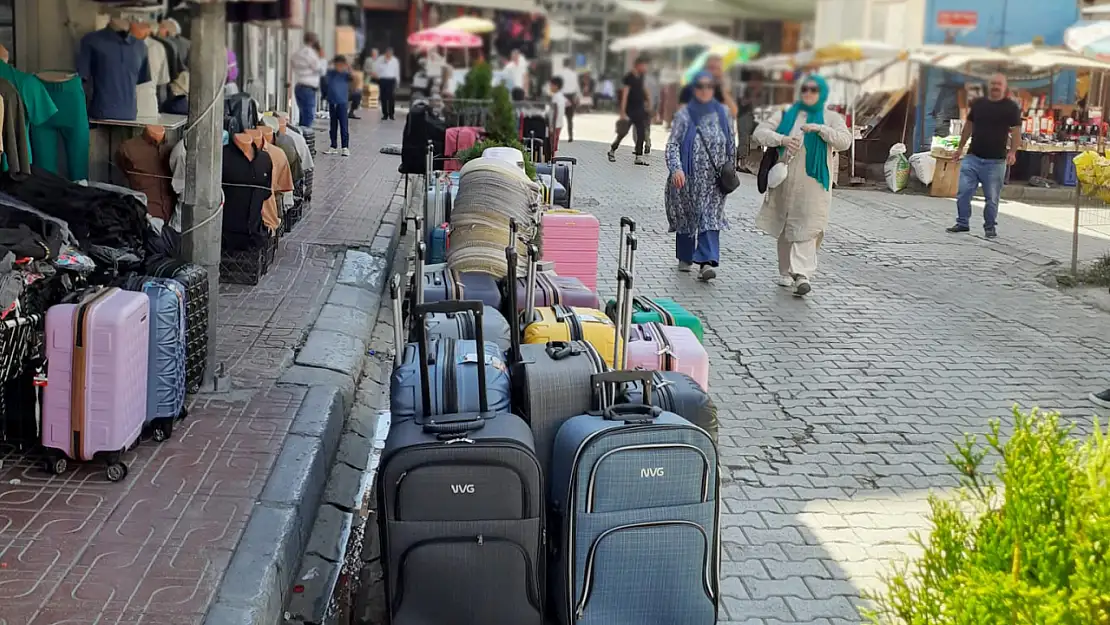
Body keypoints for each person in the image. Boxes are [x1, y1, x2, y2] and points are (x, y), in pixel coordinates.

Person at [753, 75, 853, 297]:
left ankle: (802, 274)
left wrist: (821, 130)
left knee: (808, 226)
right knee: (785, 225)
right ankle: (786, 271)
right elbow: (759, 133)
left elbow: (845, 141)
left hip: (814, 182)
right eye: (805, 89)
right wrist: (782, 140)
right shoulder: (786, 113)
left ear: (822, 92)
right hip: (784, 180)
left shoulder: (830, 117)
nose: (808, 93)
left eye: (814, 90)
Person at [665, 71, 735, 282]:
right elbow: (673, 144)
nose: (705, 91)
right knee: (688, 215)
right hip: (688, 178)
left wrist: (730, 169)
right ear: (694, 90)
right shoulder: (684, 115)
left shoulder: (723, 113)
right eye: (700, 87)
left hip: (714, 180)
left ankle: (706, 262)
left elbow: (731, 142)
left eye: (709, 86)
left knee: (710, 216)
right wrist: (676, 168)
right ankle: (686, 256)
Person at [946, 73, 1021, 239]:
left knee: (992, 198)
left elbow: (1016, 133)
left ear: (1004, 87)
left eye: (999, 84)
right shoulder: (978, 104)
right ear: (989, 85)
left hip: (995, 161)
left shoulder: (1011, 107)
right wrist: (960, 148)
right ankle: (962, 223)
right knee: (964, 192)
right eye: (993, 83)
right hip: (973, 156)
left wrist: (1013, 151)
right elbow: (968, 126)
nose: (995, 87)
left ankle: (989, 227)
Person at [608, 55, 652, 166]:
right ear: (638, 65)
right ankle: (612, 150)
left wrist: (648, 101)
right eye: (644, 66)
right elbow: (625, 94)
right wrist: (622, 112)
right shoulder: (629, 77)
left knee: (641, 132)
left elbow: (643, 89)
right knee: (623, 132)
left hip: (640, 108)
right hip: (630, 110)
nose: (646, 68)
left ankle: (638, 156)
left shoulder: (641, 76)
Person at [292, 33, 324, 127]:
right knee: (309, 115)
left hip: (299, 85)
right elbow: (320, 69)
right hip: (308, 88)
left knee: (303, 114)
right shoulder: (310, 53)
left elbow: (293, 63)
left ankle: (302, 135)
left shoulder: (298, 52)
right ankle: (305, 137)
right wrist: (322, 58)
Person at [324, 55, 353, 156]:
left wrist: (348, 66)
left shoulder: (346, 75)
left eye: (341, 65)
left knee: (343, 125)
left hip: (342, 103)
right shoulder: (330, 73)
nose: (339, 67)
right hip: (332, 102)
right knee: (333, 125)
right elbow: (324, 71)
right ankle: (333, 146)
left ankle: (345, 147)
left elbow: (353, 77)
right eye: (337, 65)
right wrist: (331, 61)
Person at [558, 58, 579, 142]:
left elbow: (558, 87)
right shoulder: (574, 74)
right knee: (570, 118)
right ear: (569, 65)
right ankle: (570, 136)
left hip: (562, 96)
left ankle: (558, 136)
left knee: (559, 117)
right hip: (571, 96)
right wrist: (577, 97)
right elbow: (576, 87)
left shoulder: (560, 74)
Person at [378, 47, 400, 121]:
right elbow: (377, 69)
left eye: (390, 53)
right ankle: (385, 114)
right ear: (385, 53)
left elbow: (397, 71)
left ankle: (391, 114)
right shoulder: (381, 59)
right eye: (387, 53)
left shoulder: (395, 61)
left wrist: (397, 81)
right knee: (383, 98)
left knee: (391, 98)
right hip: (383, 79)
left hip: (391, 80)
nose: (388, 55)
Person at [548, 75, 568, 153]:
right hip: (559, 124)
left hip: (555, 124)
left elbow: (555, 113)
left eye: (551, 85)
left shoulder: (556, 97)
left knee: (552, 145)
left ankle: (552, 160)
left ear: (556, 86)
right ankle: (554, 158)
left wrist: (551, 126)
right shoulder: (561, 96)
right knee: (555, 144)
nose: (550, 87)